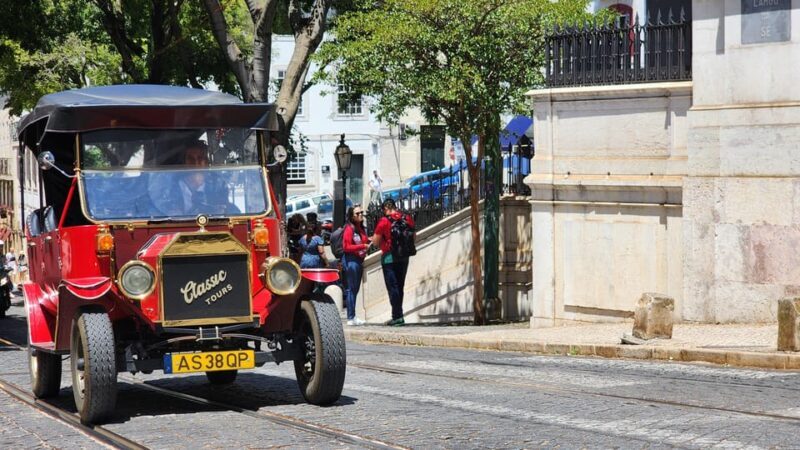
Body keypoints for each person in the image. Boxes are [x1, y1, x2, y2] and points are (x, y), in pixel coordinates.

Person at [370, 198, 415, 326]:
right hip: (404, 257)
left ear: (385, 208)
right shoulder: (406, 218)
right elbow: (413, 236)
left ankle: (397, 317)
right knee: (400, 286)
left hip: (389, 258)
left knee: (393, 288)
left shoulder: (384, 221)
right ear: (395, 206)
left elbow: (376, 242)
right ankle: (398, 315)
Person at [342, 204, 369, 326]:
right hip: (351, 260)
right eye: (357, 214)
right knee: (351, 289)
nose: (360, 215)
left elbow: (363, 240)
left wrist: (368, 241)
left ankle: (353, 316)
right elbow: (346, 247)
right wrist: (362, 246)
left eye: (361, 212)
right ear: (352, 217)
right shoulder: (349, 228)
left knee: (355, 289)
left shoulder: (360, 228)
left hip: (358, 260)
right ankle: (351, 317)